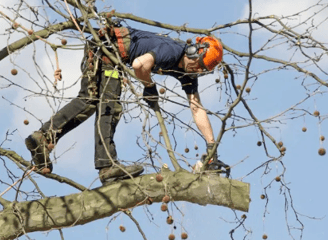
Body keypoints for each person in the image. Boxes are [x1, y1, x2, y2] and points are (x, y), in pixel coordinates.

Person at [25, 23, 224, 184]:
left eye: (202, 70)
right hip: (108, 52)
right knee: (108, 105)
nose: (196, 70)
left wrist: (211, 146)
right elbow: (139, 65)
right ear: (193, 51)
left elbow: (197, 107)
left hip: (107, 54)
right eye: (198, 64)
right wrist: (149, 86)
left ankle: (42, 138)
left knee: (91, 100)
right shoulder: (172, 50)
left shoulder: (188, 74)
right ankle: (106, 166)